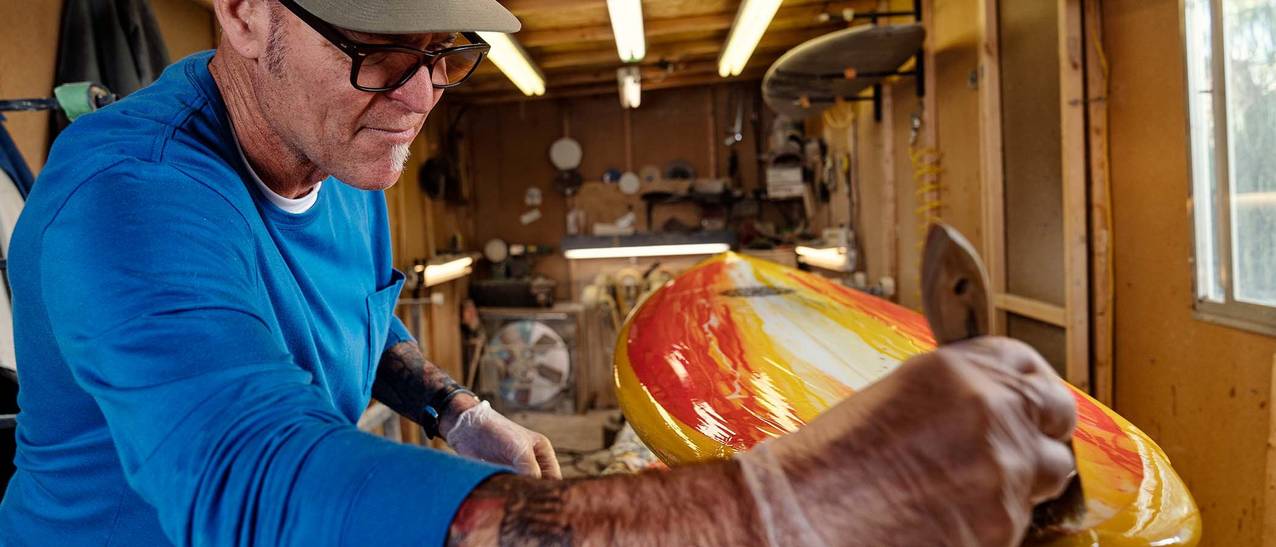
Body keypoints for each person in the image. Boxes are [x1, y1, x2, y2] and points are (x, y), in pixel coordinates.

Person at [0, 1, 1077, 546]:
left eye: (448, 55)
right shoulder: (127, 199)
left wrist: (456, 408)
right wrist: (781, 505)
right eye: (383, 48)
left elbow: (353, 324)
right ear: (242, 11)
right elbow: (251, 486)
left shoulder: (347, 149)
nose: (420, 96)